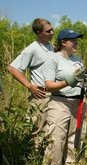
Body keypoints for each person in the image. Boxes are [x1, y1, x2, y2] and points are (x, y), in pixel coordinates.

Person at [42, 29, 87, 165]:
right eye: (73, 40)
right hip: (60, 102)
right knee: (56, 137)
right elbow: (48, 86)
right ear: (63, 42)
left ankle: (70, 164)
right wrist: (68, 81)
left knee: (73, 135)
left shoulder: (77, 59)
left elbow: (81, 80)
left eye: (77, 40)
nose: (76, 43)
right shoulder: (53, 59)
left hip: (77, 102)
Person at [8, 18, 54, 147]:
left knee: (51, 129)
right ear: (39, 33)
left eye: (52, 29)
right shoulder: (32, 49)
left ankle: (47, 158)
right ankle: (35, 158)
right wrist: (29, 86)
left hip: (54, 95)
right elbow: (12, 68)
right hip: (40, 96)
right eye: (48, 31)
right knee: (38, 129)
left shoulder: (51, 47)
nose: (52, 32)